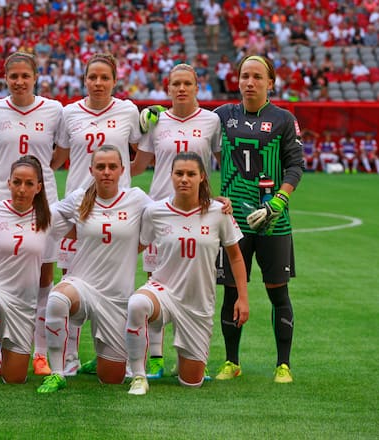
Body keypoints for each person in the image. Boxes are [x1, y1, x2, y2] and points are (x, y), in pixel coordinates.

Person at [213, 55, 304, 383]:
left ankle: (283, 364)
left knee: (278, 293)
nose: (249, 82)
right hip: (232, 221)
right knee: (230, 293)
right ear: (237, 81)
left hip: (273, 222)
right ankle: (231, 361)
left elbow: (295, 165)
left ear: (270, 83)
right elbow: (192, 136)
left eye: (257, 77)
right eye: (244, 76)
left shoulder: (283, 119)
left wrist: (278, 202)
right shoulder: (223, 116)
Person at [126, 152, 248, 394]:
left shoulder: (219, 212)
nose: (184, 179)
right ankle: (138, 376)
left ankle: (185, 361)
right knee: (137, 304)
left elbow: (235, 256)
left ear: (202, 177)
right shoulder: (155, 212)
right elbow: (134, 248)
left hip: (198, 303)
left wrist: (242, 298)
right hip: (163, 292)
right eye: (179, 173)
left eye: (191, 174)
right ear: (170, 176)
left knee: (191, 382)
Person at [50, 53, 142, 376]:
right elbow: (60, 156)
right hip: (80, 212)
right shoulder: (69, 112)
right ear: (84, 80)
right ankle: (69, 358)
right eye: (93, 77)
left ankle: (116, 352)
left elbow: (142, 153)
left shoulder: (129, 110)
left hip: (117, 213)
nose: (98, 83)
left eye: (105, 77)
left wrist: (128, 190)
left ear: (115, 80)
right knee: (70, 281)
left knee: (117, 286)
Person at [132, 63, 223, 380]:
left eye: (187, 83)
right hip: (160, 212)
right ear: (167, 88)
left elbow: (225, 162)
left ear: (198, 86)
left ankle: (194, 354)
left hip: (198, 214)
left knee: (197, 284)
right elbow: (138, 166)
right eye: (175, 84)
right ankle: (155, 357)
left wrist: (225, 196)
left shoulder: (212, 121)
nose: (181, 88)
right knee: (155, 281)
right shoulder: (156, 121)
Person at [37, 146, 152, 393]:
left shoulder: (136, 198)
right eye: (100, 167)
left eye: (112, 167)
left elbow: (167, 213)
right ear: (91, 170)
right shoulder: (79, 198)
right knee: (57, 298)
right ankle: (57, 373)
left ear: (123, 170)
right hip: (83, 285)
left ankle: (102, 357)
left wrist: (216, 204)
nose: (107, 172)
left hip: (116, 297)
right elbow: (46, 215)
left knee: (112, 378)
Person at [0, 51, 63, 377]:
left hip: (43, 202)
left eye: (24, 76)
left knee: (44, 276)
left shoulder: (54, 110)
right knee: (1, 277)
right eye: (13, 76)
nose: (19, 81)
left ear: (35, 78)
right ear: (5, 78)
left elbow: (61, 153)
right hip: (4, 200)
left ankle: (40, 352)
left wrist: (38, 179)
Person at [0, 156, 61, 393]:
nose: (22, 189)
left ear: (39, 187)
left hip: (23, 302)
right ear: (8, 183)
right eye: (17, 182)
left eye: (29, 184)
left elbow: (84, 227)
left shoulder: (50, 216)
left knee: (14, 378)